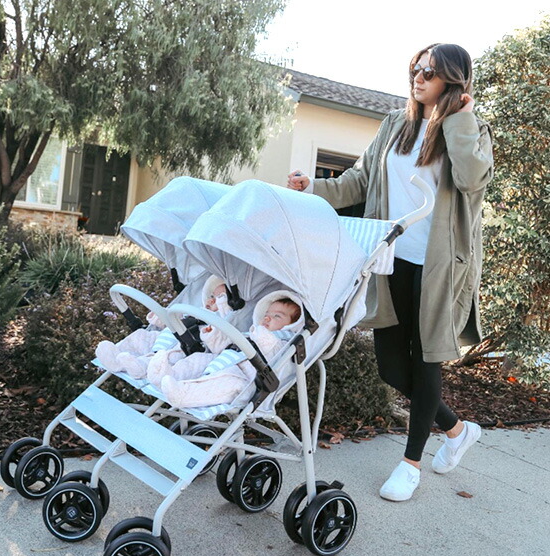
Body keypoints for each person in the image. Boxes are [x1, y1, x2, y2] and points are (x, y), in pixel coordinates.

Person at [287, 43, 493, 502]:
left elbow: (471, 180)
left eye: (430, 72)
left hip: (439, 265)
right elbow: (359, 181)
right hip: (389, 258)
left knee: (426, 359)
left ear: (454, 81)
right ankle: (457, 429)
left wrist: (459, 119)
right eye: (416, 68)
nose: (419, 77)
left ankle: (411, 464)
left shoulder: (471, 130)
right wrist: (311, 187)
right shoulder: (395, 124)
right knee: (391, 367)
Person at [155, 292, 303, 408]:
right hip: (221, 362)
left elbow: (270, 347)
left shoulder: (282, 344)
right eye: (266, 314)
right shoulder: (250, 334)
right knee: (197, 359)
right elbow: (225, 346)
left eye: (277, 316)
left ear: (292, 325)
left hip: (244, 380)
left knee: (225, 384)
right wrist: (212, 336)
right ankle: (165, 376)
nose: (267, 318)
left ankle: (183, 396)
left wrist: (261, 333)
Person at [95, 276, 232, 379]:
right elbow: (172, 317)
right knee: (141, 336)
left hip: (186, 347)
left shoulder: (219, 323)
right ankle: (116, 357)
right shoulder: (193, 311)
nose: (212, 300)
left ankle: (140, 367)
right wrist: (160, 316)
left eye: (220, 297)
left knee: (166, 357)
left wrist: (210, 332)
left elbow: (218, 341)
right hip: (163, 337)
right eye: (212, 296)